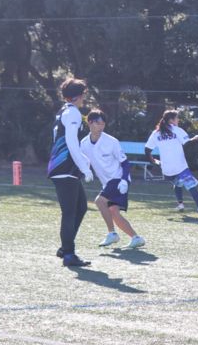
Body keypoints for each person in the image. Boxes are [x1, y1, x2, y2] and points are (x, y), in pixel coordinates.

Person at [80, 109, 146, 250]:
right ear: (90, 123)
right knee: (114, 212)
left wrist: (124, 180)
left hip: (118, 179)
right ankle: (136, 238)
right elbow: (82, 161)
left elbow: (125, 163)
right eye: (98, 123)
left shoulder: (111, 141)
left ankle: (112, 234)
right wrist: (85, 171)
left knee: (99, 201)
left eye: (103, 124)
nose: (101, 126)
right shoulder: (84, 143)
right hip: (106, 183)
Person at [47, 78, 94, 267]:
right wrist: (84, 167)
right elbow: (72, 143)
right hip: (65, 167)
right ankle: (68, 254)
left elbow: (69, 143)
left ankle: (65, 247)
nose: (84, 98)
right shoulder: (73, 112)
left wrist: (83, 160)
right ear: (79, 95)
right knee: (69, 212)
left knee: (80, 208)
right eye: (83, 94)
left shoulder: (64, 111)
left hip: (64, 166)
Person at [145, 110, 198, 218]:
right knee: (191, 186)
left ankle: (180, 205)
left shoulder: (156, 133)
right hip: (180, 166)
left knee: (177, 183)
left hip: (167, 170)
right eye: (177, 118)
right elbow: (187, 144)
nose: (178, 120)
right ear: (171, 120)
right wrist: (195, 138)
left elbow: (147, 150)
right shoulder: (176, 130)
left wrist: (154, 161)